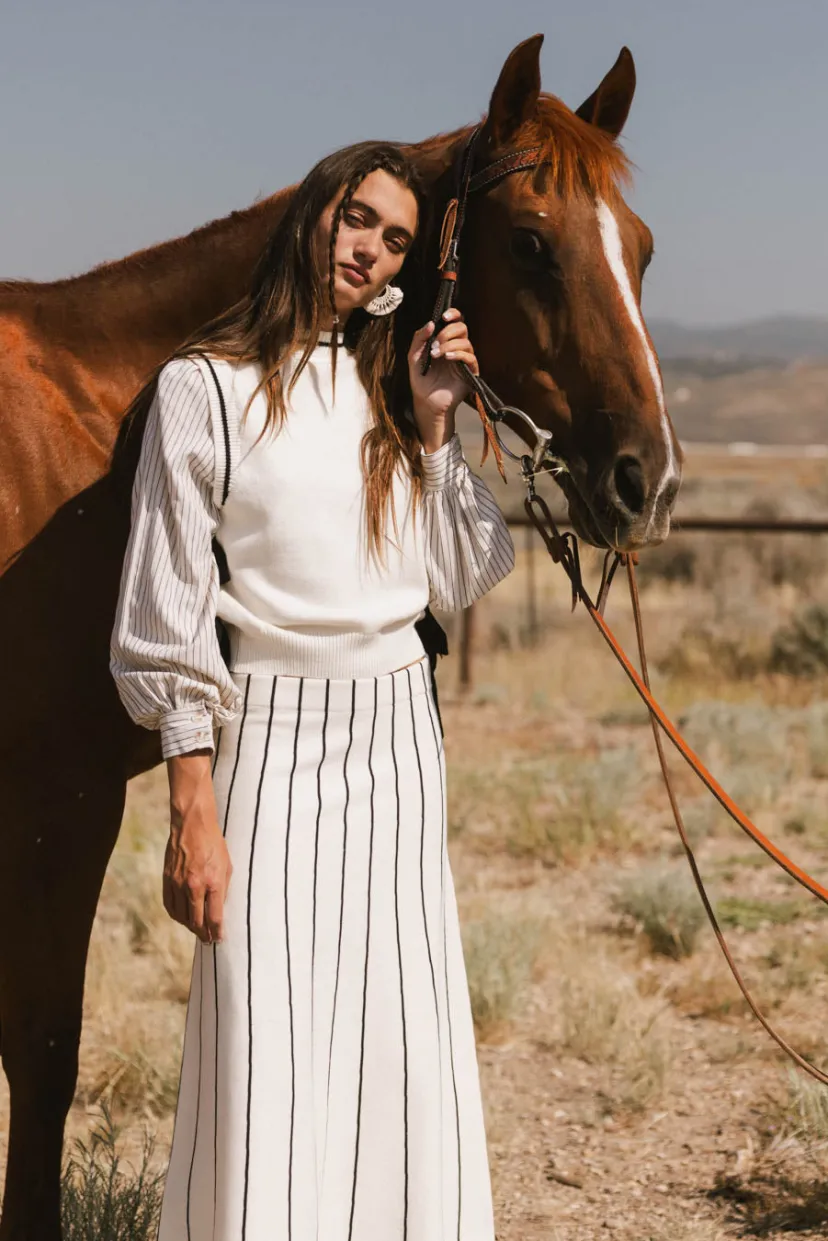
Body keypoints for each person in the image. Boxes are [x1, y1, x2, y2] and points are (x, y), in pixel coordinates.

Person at [110, 139, 514, 1241]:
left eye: (396, 237)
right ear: (313, 216)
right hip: (268, 745)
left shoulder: (394, 382)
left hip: (397, 737)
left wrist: (435, 428)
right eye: (359, 217)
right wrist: (192, 803)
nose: (373, 246)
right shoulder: (202, 388)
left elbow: (462, 574)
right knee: (264, 1045)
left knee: (404, 1036)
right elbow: (169, 611)